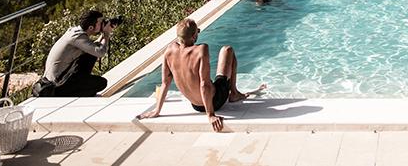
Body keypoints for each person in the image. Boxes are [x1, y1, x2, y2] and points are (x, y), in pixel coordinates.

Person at [137, 18, 265, 132]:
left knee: (215, 79)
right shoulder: (201, 50)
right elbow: (204, 84)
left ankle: (232, 94)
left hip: (196, 105)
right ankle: (234, 94)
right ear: (193, 36)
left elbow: (165, 83)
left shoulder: (169, 51)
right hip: (214, 101)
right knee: (227, 50)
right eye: (197, 32)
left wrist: (157, 111)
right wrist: (210, 115)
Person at [40, 9, 114, 97]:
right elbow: (100, 52)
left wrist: (102, 35)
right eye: (101, 22)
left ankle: (81, 84)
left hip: (58, 79)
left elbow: (93, 48)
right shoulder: (76, 37)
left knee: (90, 55)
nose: (103, 24)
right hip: (56, 86)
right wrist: (106, 34)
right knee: (101, 83)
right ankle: (75, 93)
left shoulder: (75, 32)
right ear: (91, 27)